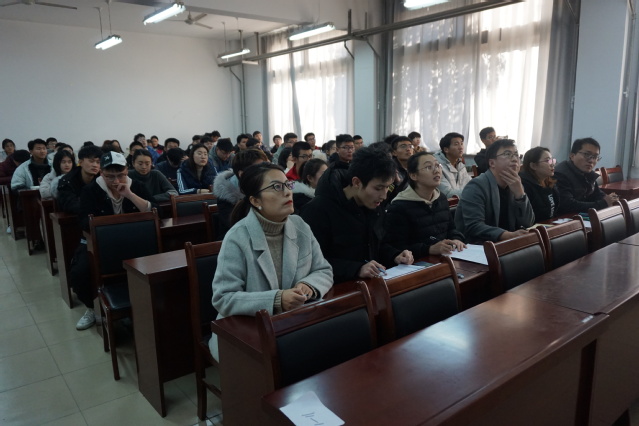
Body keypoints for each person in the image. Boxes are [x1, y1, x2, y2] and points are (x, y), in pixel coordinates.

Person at [209, 163, 333, 360]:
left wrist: (309, 285)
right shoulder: (237, 238)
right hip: (246, 332)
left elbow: (324, 270)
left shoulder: (300, 226)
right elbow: (224, 297)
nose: (288, 192)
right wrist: (276, 300)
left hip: (293, 324)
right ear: (255, 200)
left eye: (288, 185)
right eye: (276, 187)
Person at [301, 147, 414, 284]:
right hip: (336, 289)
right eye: (378, 188)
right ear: (356, 182)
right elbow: (311, 262)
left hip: (370, 284)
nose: (384, 196)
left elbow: (376, 244)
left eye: (388, 187)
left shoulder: (373, 204)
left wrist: (395, 255)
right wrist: (356, 269)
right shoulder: (318, 210)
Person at [71, 151, 154, 330]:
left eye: (121, 175)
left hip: (134, 242)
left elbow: (156, 212)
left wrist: (130, 194)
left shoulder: (136, 186)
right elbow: (84, 222)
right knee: (80, 273)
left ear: (127, 171)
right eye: (110, 176)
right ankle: (92, 308)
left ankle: (139, 306)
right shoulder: (91, 190)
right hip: (98, 244)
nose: (116, 181)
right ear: (101, 173)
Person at [384, 152, 466, 257]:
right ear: (413, 175)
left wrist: (456, 239)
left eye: (437, 165)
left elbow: (451, 229)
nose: (436, 170)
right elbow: (396, 247)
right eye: (428, 167)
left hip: (446, 257)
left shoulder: (441, 198)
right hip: (419, 262)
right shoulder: (399, 206)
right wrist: (429, 249)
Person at [455, 139, 535, 243]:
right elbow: (474, 226)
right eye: (507, 154)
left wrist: (520, 195)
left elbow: (528, 223)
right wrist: (507, 235)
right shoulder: (476, 186)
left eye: (516, 155)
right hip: (479, 246)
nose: (515, 159)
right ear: (492, 163)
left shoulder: (515, 184)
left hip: (506, 244)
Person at [214, 149, 269, 239]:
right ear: (242, 174)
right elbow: (237, 226)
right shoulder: (226, 196)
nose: (264, 173)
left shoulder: (265, 186)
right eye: (258, 170)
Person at [554, 137, 617, 214]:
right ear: (572, 156)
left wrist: (611, 199)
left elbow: (597, 194)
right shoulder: (560, 174)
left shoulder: (587, 173)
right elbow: (568, 205)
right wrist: (603, 203)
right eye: (587, 155)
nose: (591, 160)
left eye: (595, 157)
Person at [56, 145, 103, 215]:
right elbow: (70, 205)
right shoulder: (67, 181)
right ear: (80, 162)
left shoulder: (102, 178)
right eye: (91, 161)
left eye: (98, 162)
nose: (95, 165)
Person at [520, 147, 560, 222]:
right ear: (533, 166)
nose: (552, 164)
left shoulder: (548, 182)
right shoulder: (524, 185)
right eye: (547, 161)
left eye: (552, 160)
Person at [434, 132, 471, 198]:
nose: (461, 147)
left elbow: (470, 184)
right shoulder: (437, 166)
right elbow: (447, 193)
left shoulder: (460, 165)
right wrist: (473, 191)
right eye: (456, 144)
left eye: (461, 144)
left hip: (461, 201)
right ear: (446, 149)